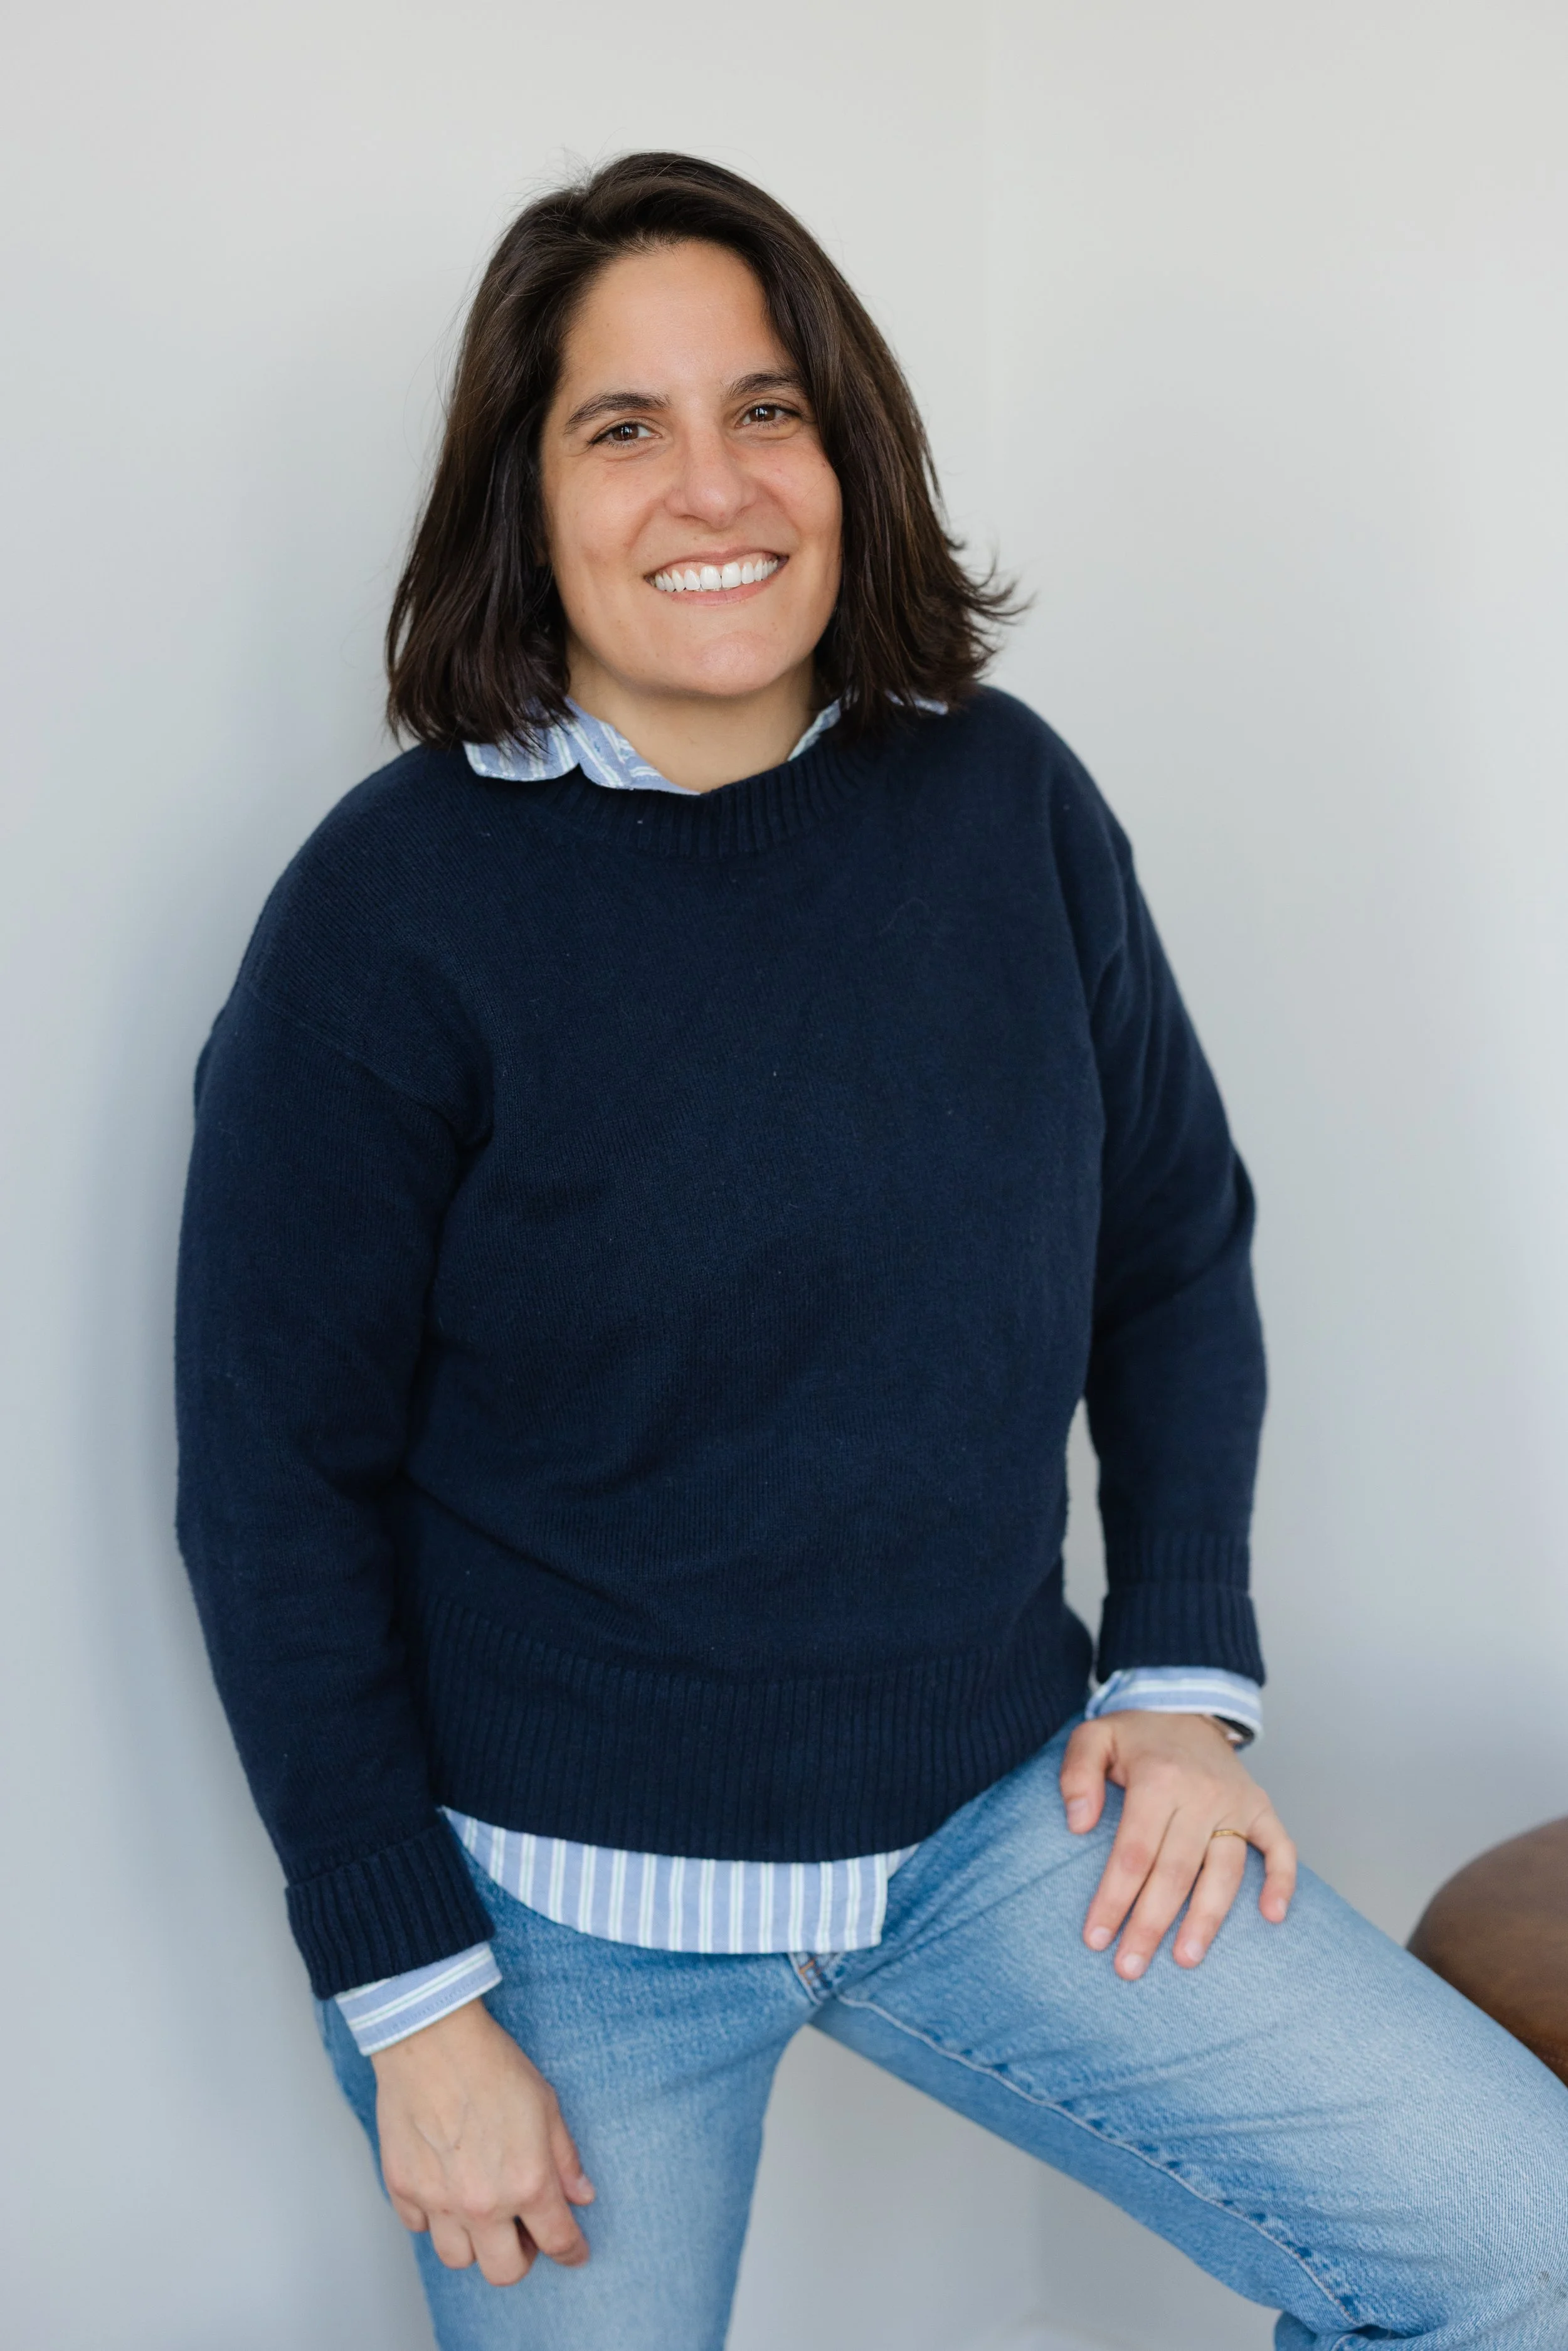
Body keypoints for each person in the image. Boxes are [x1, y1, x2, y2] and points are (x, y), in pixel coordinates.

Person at [174, 152, 1568, 2351]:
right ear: (521, 502)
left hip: (997, 1824)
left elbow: (1171, 1248)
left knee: (1525, 2244)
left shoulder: (1009, 805)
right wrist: (412, 2007)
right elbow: (273, 1485)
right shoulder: (392, 916)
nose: (708, 483)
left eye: (768, 408)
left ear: (850, 449)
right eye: (618, 428)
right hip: (557, 1921)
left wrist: (1182, 1680)